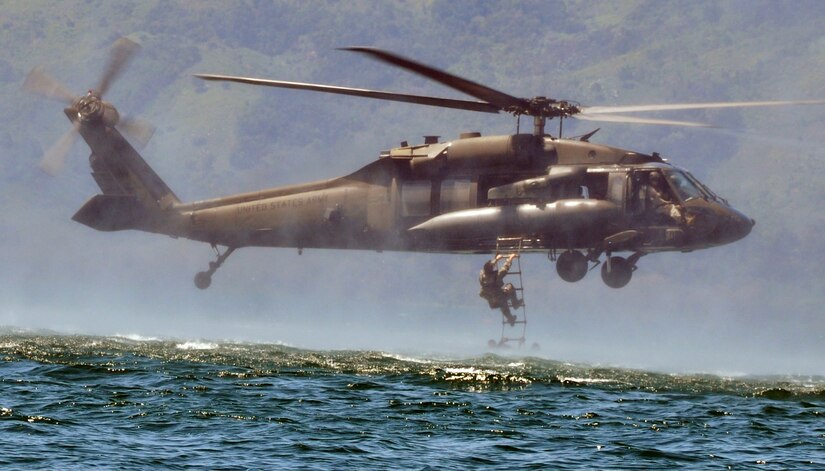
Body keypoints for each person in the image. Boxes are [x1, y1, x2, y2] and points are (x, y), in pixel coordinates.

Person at [479, 253, 523, 326]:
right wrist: (510, 258)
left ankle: (511, 319)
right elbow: (505, 268)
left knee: (502, 304)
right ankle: (515, 304)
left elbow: (488, 267)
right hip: (499, 297)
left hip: (491, 301)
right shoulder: (497, 276)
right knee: (509, 287)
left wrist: (496, 259)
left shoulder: (482, 275)